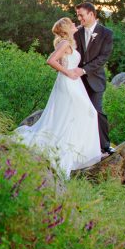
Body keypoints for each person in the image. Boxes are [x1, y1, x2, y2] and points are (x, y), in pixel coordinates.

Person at [13, 17, 102, 178]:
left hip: (73, 83)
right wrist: (67, 72)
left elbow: (63, 62)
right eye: (72, 24)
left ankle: (78, 150)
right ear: (66, 28)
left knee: (76, 114)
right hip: (68, 83)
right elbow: (51, 60)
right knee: (88, 112)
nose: (75, 25)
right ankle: (69, 150)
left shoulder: (67, 43)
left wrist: (70, 71)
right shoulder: (64, 44)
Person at [66, 1, 114, 154]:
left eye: (81, 15)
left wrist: (84, 70)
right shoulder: (76, 32)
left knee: (96, 111)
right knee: (76, 112)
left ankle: (105, 145)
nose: (79, 18)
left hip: (95, 80)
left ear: (92, 14)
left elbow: (103, 57)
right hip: (76, 81)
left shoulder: (106, 34)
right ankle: (79, 146)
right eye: (78, 15)